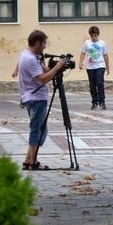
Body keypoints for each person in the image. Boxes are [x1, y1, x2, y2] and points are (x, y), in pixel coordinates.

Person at [17, 30, 66, 170]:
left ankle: (28, 160)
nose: (45, 47)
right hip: (36, 98)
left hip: (31, 96)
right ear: (37, 43)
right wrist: (56, 68)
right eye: (44, 44)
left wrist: (50, 67)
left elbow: (42, 71)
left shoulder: (26, 55)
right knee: (37, 130)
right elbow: (42, 79)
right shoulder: (30, 59)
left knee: (40, 130)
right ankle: (32, 162)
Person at [79, 26, 110, 110]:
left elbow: (105, 55)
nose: (94, 37)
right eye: (92, 35)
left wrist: (107, 67)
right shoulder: (87, 43)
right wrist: (80, 63)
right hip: (90, 66)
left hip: (100, 65)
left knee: (100, 83)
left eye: (95, 35)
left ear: (98, 35)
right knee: (92, 85)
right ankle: (94, 102)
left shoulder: (102, 43)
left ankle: (102, 101)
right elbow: (83, 53)